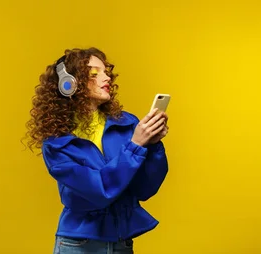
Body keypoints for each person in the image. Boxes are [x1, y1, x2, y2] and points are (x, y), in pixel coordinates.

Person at [24, 47, 169, 254]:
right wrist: (135, 146)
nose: (106, 77)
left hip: (121, 243)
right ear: (69, 84)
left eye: (106, 72)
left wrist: (153, 145)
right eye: (94, 73)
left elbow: (144, 190)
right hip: (78, 245)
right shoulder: (57, 144)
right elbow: (99, 191)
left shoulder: (128, 125)